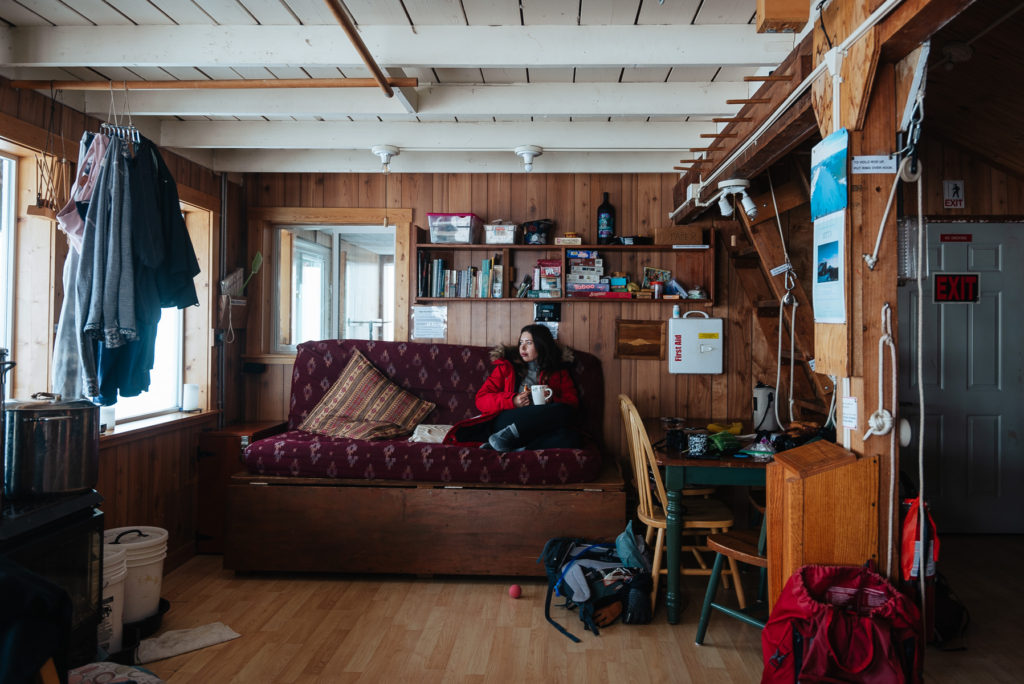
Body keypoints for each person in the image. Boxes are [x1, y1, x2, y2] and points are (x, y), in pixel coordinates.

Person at [446, 324, 580, 451]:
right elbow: (481, 400)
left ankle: (513, 447)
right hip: (507, 420)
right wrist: (513, 401)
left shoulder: (559, 372)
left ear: (542, 345)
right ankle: (505, 435)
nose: (522, 348)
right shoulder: (507, 368)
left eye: (529, 343)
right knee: (560, 412)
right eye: (521, 343)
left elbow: (572, 404)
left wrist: (551, 400)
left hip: (540, 423)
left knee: (572, 436)